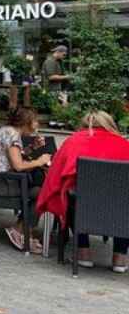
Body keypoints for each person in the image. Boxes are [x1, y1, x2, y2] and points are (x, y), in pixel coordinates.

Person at [37, 111, 129, 272]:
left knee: (70, 198)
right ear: (110, 125)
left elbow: (56, 174)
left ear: (84, 124)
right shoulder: (124, 144)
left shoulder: (73, 141)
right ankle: (120, 258)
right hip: (119, 204)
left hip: (85, 201)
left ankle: (83, 253)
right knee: (124, 205)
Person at [0, 107, 50, 253]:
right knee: (43, 193)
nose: (37, 124)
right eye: (35, 121)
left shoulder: (7, 131)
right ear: (27, 122)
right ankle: (20, 231)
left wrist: (32, 147)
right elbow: (18, 166)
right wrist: (40, 161)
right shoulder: (12, 134)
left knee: (39, 190)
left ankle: (23, 230)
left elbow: (14, 156)